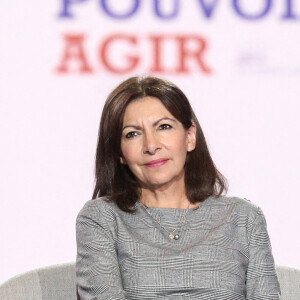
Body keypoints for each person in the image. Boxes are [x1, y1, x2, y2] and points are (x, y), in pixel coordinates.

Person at [76, 76, 281, 299]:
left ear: (190, 137)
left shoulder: (243, 218)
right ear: (120, 153)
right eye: (133, 134)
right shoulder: (101, 219)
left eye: (164, 127)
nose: (151, 146)